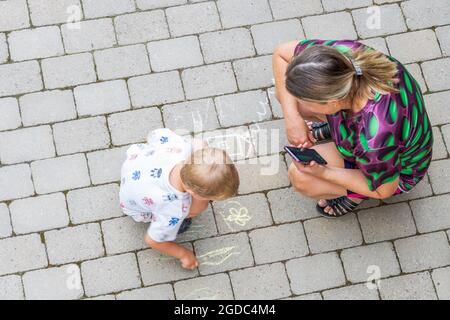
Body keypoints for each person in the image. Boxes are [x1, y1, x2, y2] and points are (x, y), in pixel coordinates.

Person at [273, 39, 433, 217]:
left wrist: (324, 172)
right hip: (371, 135)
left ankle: (356, 195)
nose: (300, 103)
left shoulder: (374, 139)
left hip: (395, 172)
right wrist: (292, 117)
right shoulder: (343, 57)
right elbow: (281, 54)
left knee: (301, 178)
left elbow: (385, 190)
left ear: (332, 102)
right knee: (288, 97)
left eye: (308, 100)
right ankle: (335, 131)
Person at [119, 128, 239, 269]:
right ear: (191, 192)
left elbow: (155, 134)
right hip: (134, 205)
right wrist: (184, 254)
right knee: (196, 209)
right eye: (211, 198)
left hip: (135, 165)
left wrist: (200, 149)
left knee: (200, 144)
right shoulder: (174, 208)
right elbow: (153, 240)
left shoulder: (181, 147)